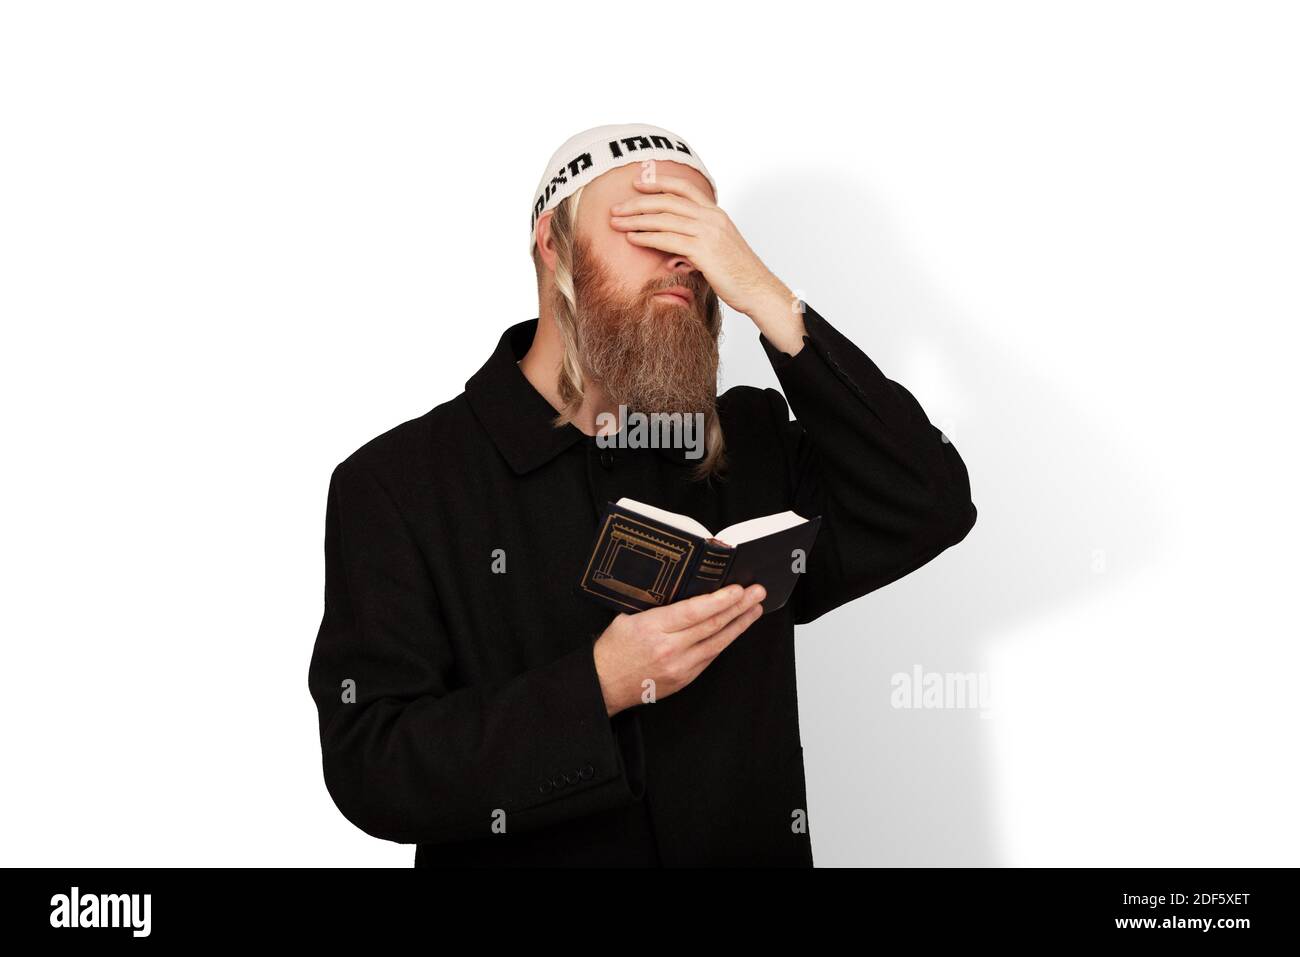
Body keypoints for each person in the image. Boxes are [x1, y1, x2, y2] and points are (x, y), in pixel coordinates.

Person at [307, 123, 977, 866]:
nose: (683, 261)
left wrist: (769, 299)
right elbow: (370, 765)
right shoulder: (398, 483)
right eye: (648, 223)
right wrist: (597, 688)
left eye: (703, 236)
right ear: (552, 244)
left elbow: (932, 500)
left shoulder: (748, 442)